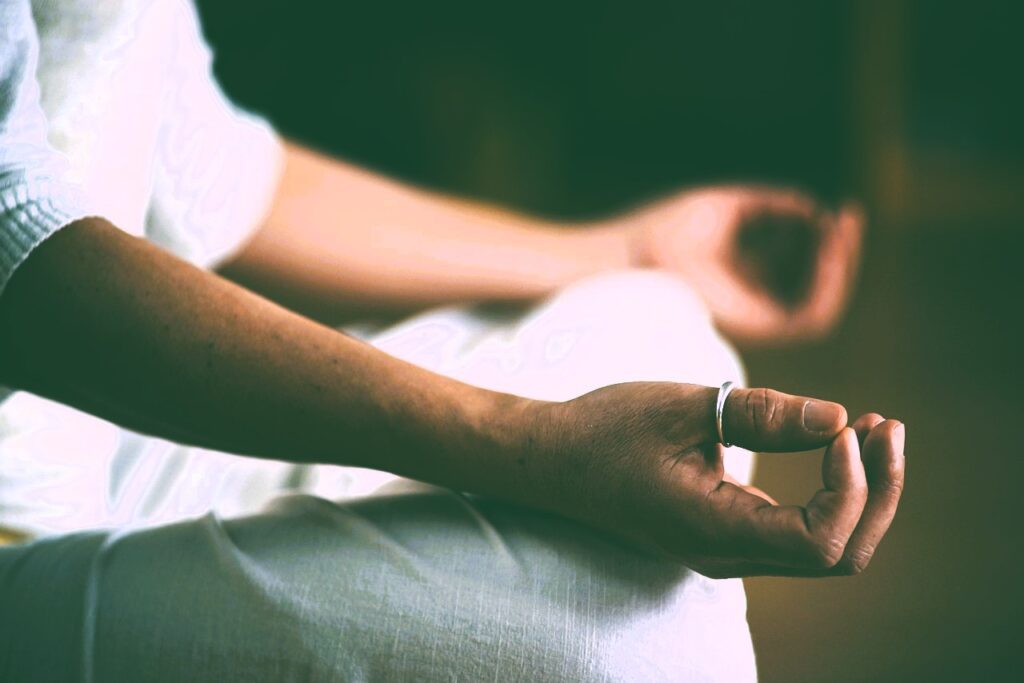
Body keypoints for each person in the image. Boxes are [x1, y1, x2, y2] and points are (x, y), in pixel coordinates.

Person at [0, 0, 906, 680]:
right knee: (644, 648)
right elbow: (23, 271)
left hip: (139, 433)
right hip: (21, 549)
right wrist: (530, 442)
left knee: (659, 320)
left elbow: (211, 170)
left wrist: (628, 252)